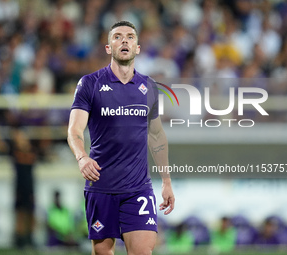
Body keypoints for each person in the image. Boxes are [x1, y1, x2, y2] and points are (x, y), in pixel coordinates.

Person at [67, 21, 175, 255]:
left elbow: (156, 135)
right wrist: (82, 157)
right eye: (117, 36)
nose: (124, 40)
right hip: (101, 187)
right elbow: (74, 131)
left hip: (138, 188)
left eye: (130, 37)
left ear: (137, 47)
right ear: (109, 47)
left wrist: (166, 181)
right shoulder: (89, 84)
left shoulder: (149, 87)